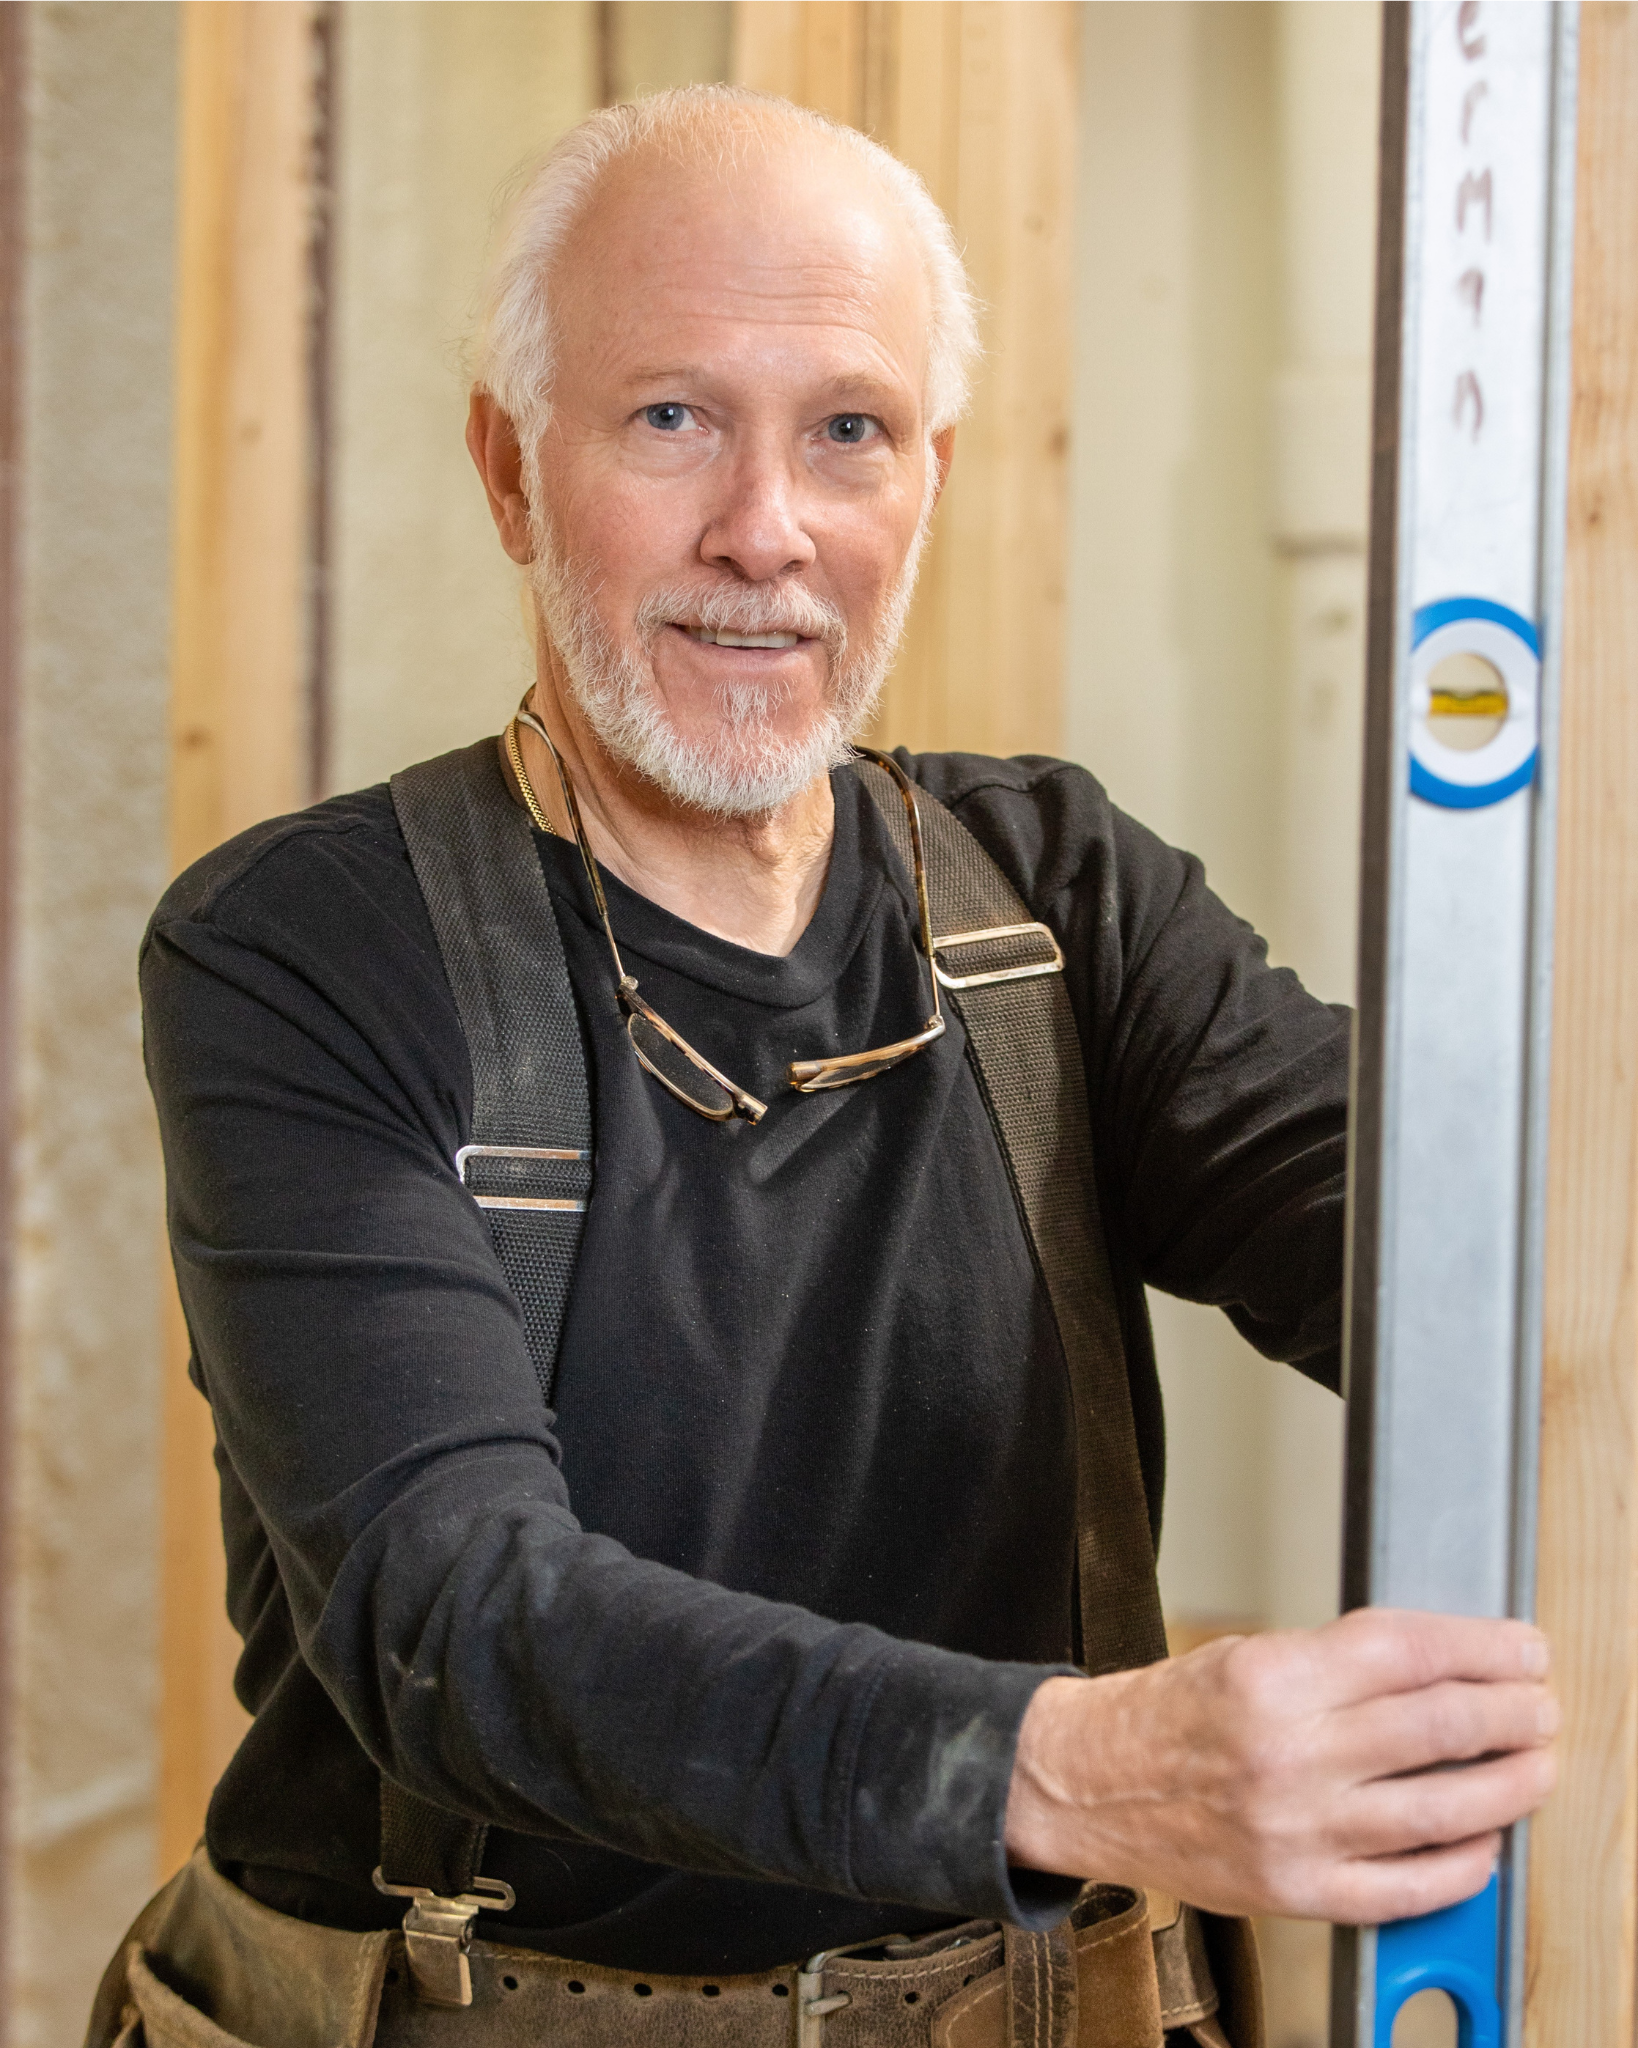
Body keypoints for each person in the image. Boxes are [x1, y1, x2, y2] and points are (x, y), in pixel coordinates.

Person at [89, 85, 1554, 2048]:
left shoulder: (1060, 904)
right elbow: (460, 1618)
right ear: (512, 472)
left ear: (925, 481)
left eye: (846, 430)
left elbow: (1454, 1275)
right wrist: (1085, 1765)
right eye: (671, 416)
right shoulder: (314, 953)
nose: (764, 531)